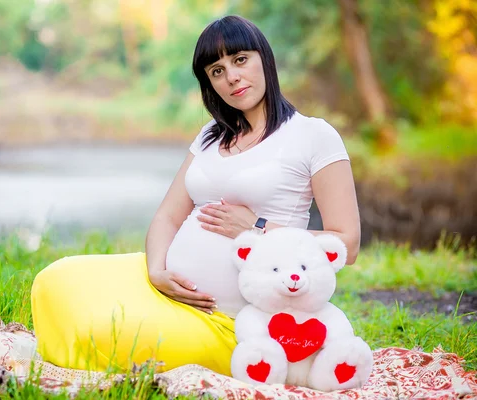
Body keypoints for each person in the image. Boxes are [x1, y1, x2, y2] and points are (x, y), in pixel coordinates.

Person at [31, 15, 360, 377]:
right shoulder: (210, 135)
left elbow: (348, 243)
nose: (231, 77)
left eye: (239, 60)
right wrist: (157, 270)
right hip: (164, 288)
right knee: (55, 280)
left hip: (234, 321)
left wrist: (259, 227)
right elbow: (168, 217)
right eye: (216, 71)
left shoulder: (314, 136)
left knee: (101, 331)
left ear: (264, 58)